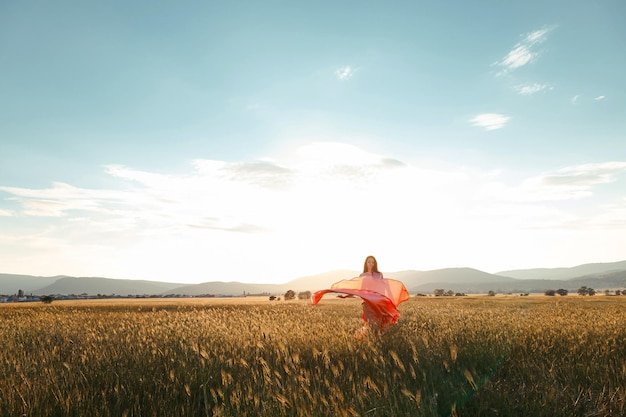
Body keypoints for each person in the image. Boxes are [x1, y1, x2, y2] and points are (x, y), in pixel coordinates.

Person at [311, 255, 409, 337]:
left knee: (380, 324)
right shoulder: (363, 276)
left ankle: (377, 339)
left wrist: (390, 301)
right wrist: (346, 296)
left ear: (375, 264)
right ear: (366, 264)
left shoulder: (379, 275)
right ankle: (365, 337)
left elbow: (384, 289)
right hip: (367, 303)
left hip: (378, 303)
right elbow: (358, 290)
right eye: (369, 262)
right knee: (371, 324)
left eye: (372, 262)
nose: (371, 264)